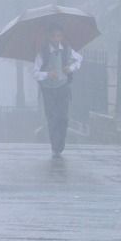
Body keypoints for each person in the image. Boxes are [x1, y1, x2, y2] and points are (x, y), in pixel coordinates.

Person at [33, 24, 82, 157]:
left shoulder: (67, 50)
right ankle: (55, 146)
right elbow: (35, 73)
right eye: (54, 36)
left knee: (63, 117)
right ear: (49, 37)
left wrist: (70, 68)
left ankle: (61, 142)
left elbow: (79, 59)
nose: (56, 39)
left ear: (62, 36)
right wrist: (47, 74)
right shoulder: (42, 53)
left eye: (59, 36)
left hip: (63, 87)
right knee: (52, 117)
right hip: (48, 90)